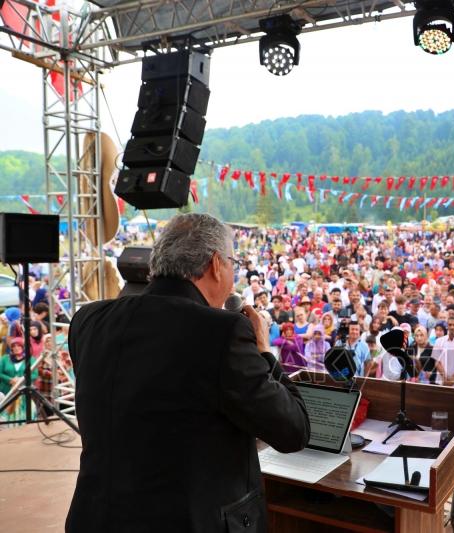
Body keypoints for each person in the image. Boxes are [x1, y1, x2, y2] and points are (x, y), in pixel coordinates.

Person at [65, 213, 309, 532]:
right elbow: (293, 430)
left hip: (95, 519)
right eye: (233, 263)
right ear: (216, 264)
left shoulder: (88, 320)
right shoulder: (223, 333)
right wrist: (263, 348)